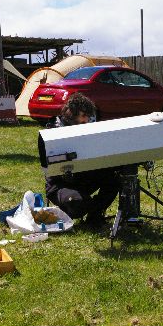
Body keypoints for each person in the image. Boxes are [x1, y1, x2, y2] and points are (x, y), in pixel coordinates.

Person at [43, 92, 120, 226]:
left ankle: (94, 215)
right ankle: (77, 208)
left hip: (83, 177)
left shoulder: (87, 129)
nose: (87, 120)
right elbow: (51, 168)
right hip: (60, 184)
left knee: (114, 180)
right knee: (79, 204)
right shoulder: (53, 132)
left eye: (88, 116)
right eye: (83, 115)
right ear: (71, 113)